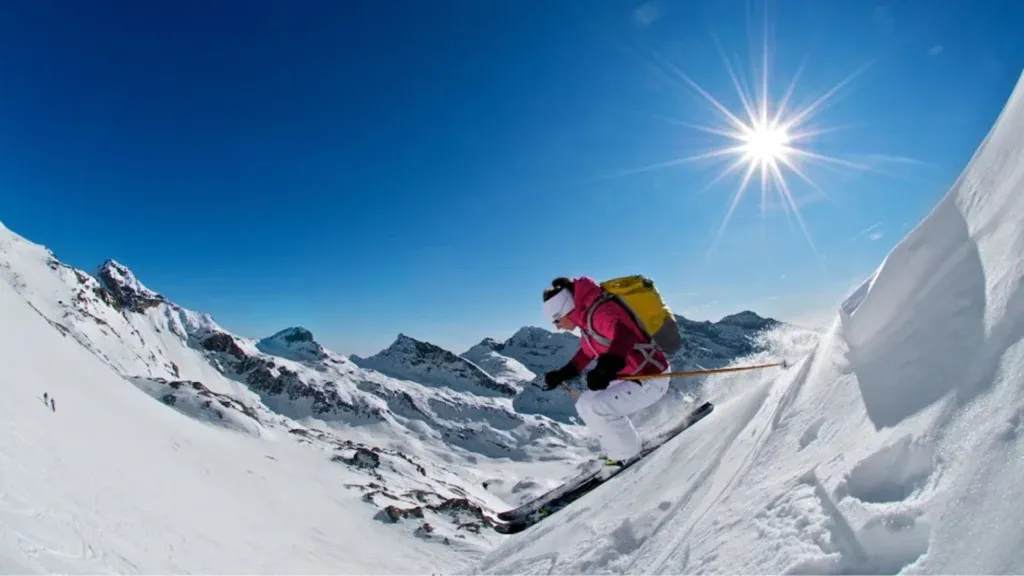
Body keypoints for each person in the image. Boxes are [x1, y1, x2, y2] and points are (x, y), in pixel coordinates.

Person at [541, 276, 672, 465]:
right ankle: (615, 449)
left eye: (557, 320)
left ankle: (625, 454)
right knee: (584, 403)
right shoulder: (587, 321)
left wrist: (606, 368)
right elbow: (586, 354)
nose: (558, 327)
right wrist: (563, 373)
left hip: (651, 377)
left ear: (566, 310)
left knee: (598, 407)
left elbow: (625, 336)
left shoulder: (601, 314)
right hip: (632, 376)